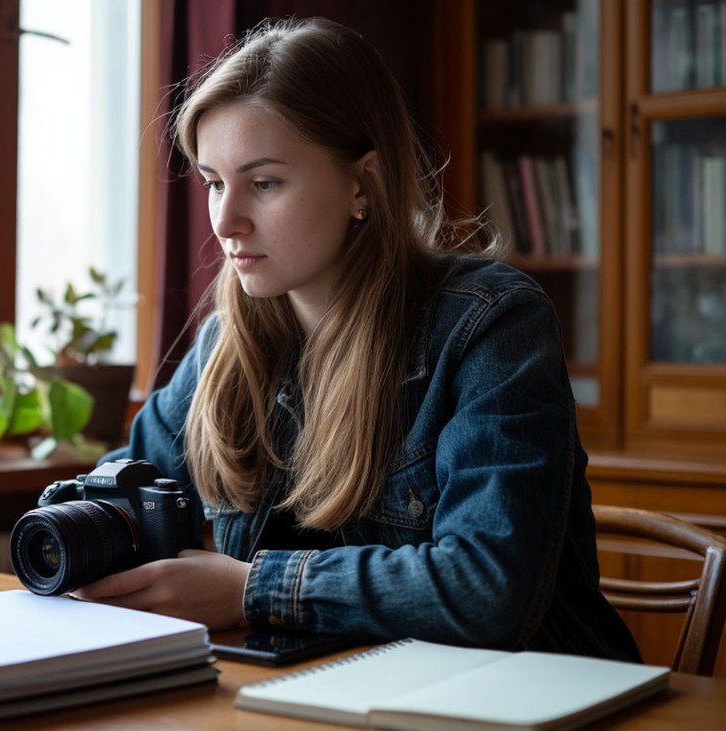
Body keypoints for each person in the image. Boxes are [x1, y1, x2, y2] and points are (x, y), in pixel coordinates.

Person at [73, 17, 641, 662]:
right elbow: (126, 477)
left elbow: (489, 587)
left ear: (361, 185)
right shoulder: (228, 347)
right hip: (323, 688)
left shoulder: (490, 322)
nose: (226, 220)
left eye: (264, 183)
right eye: (213, 182)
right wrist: (81, 529)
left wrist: (251, 588)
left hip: (526, 695)